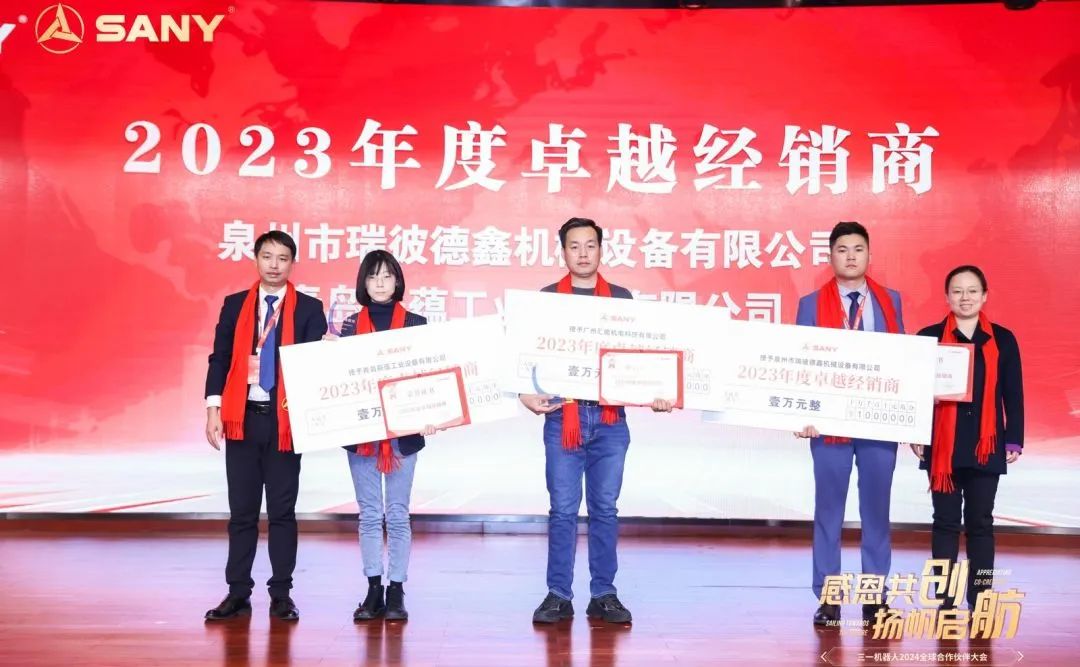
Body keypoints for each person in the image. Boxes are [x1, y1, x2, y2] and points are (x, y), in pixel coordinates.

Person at [522, 217, 673, 626]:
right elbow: (525, 355)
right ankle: (558, 594)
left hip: (610, 420)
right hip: (564, 416)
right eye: (574, 246)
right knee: (562, 510)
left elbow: (639, 358)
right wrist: (523, 394)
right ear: (563, 252)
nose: (583, 253)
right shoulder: (547, 300)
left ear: (601, 250)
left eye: (590, 245)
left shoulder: (621, 300)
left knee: (605, 509)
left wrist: (658, 391)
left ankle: (604, 593)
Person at [204, 230, 328, 622]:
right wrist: (213, 408)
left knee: (281, 513)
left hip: (284, 423)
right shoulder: (234, 305)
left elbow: (314, 367)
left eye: (283, 258)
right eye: (267, 256)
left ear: (293, 263)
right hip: (242, 420)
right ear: (256, 259)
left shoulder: (310, 309)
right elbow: (219, 358)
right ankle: (237, 593)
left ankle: (281, 595)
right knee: (241, 513)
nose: (274, 265)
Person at [793, 221, 905, 627]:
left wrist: (907, 420)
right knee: (829, 511)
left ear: (869, 254)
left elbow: (902, 361)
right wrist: (802, 414)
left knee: (877, 511)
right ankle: (829, 598)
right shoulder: (810, 303)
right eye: (843, 249)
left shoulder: (890, 300)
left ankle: (876, 598)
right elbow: (800, 363)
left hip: (878, 423)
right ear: (831, 256)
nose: (851, 256)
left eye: (858, 249)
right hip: (829, 426)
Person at [910, 265, 1023, 610]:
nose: (965, 297)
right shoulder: (928, 337)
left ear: (984, 296)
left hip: (986, 445)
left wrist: (1013, 439)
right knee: (944, 523)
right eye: (957, 291)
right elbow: (915, 392)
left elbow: (1013, 393)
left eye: (972, 291)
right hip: (942, 446)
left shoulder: (1003, 339)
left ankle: (981, 597)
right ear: (947, 297)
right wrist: (916, 432)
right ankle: (945, 600)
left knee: (981, 524)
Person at [335, 250, 433, 623]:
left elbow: (429, 377)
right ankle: (373, 588)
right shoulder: (347, 327)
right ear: (363, 282)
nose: (379, 283)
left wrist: (432, 413)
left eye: (387, 276)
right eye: (372, 276)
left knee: (397, 514)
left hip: (403, 435)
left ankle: (396, 589)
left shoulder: (417, 324)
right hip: (361, 433)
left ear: (397, 281)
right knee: (369, 514)